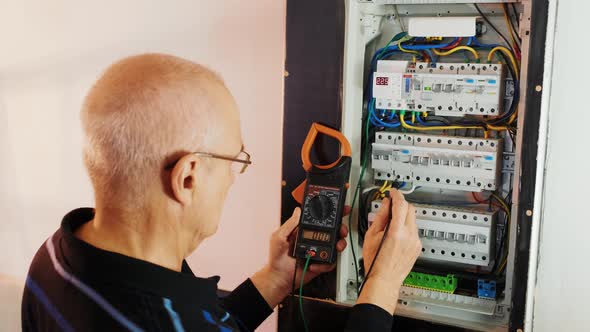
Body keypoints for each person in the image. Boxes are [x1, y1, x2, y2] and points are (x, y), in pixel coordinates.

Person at [21, 54, 421, 332]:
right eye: (235, 159)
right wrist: (382, 281)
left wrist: (274, 280)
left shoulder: (56, 257)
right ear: (188, 177)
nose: (234, 177)